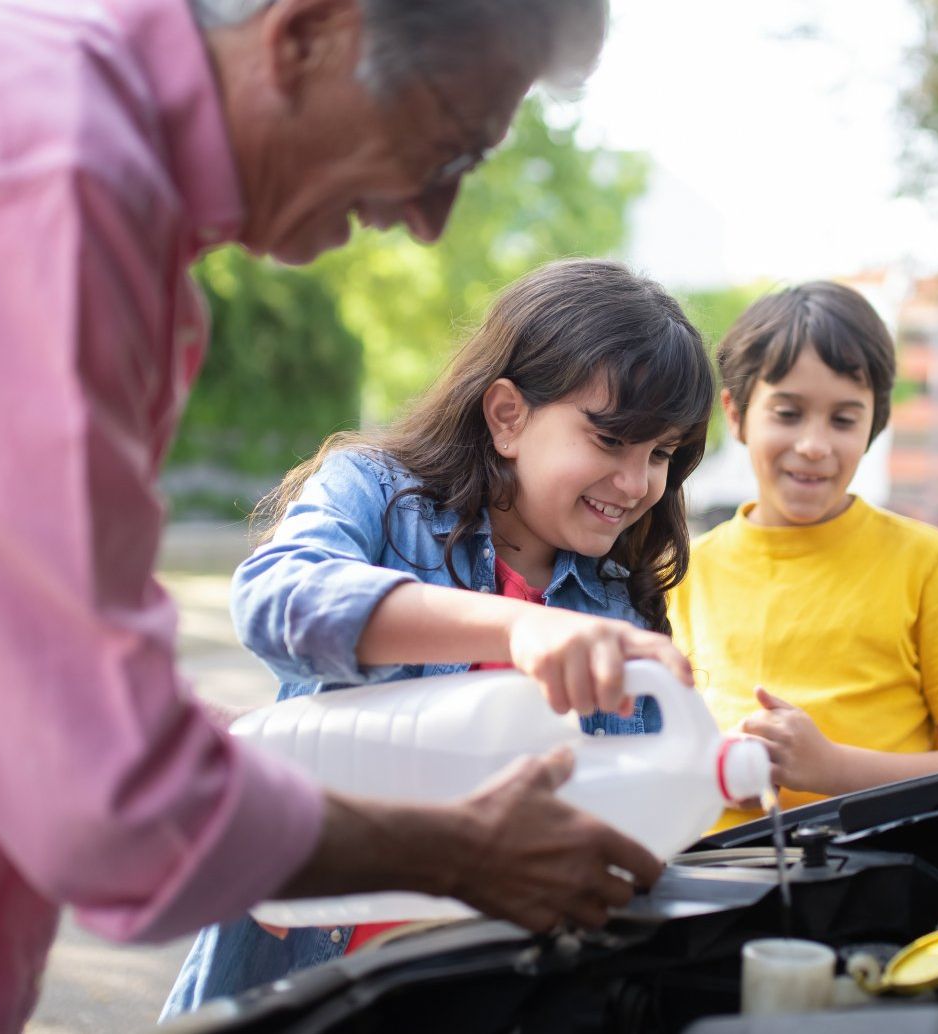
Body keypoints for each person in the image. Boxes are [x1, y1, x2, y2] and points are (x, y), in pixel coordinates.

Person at [0, 0, 666, 1029]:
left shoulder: (61, 145)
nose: (426, 218)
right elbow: (112, 792)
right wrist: (459, 848)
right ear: (308, 31)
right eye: (441, 149)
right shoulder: (38, 168)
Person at [161, 258, 713, 1013]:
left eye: (661, 455)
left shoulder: (619, 606)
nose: (636, 482)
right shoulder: (376, 495)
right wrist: (519, 626)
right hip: (306, 953)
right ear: (508, 415)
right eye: (612, 441)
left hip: (477, 982)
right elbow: (277, 597)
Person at [667, 282, 938, 830]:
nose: (813, 444)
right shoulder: (683, 570)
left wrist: (829, 767)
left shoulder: (925, 562)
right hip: (713, 876)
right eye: (787, 412)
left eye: (843, 419)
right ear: (735, 414)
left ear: (875, 423)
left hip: (877, 876)